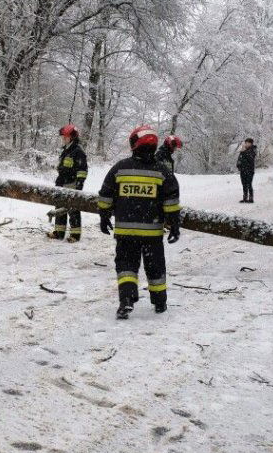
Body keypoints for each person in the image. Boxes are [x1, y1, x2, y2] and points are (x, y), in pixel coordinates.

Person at [98, 125, 181, 320]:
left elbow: (105, 194)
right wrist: (174, 225)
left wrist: (104, 216)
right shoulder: (162, 171)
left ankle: (126, 299)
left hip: (126, 233)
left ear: (134, 144)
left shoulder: (120, 168)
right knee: (155, 266)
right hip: (152, 234)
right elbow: (171, 200)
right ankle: (159, 302)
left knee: (126, 266)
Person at [48, 124, 89, 242]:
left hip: (72, 184)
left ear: (72, 137)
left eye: (65, 137)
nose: (63, 139)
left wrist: (79, 184)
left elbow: (82, 170)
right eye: (63, 137)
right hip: (62, 184)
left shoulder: (78, 152)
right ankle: (59, 233)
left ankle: (75, 235)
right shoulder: (66, 151)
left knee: (73, 209)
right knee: (60, 207)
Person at [237, 138, 256, 203]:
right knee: (244, 184)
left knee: (249, 184)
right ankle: (245, 197)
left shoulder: (253, 149)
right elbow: (240, 158)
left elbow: (250, 158)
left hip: (249, 170)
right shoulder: (243, 150)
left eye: (248, 143)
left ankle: (251, 198)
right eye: (246, 143)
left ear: (251, 144)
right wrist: (238, 165)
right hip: (243, 170)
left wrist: (244, 152)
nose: (246, 144)